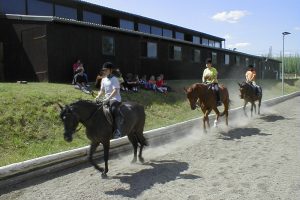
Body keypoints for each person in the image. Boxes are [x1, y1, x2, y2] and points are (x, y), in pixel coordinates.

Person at [95, 62, 123, 139]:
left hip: (115, 99)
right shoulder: (103, 79)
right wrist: (98, 96)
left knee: (113, 109)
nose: (104, 71)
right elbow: (102, 90)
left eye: (106, 70)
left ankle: (117, 130)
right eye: (104, 70)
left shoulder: (114, 79)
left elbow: (115, 91)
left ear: (110, 70)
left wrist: (108, 98)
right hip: (106, 99)